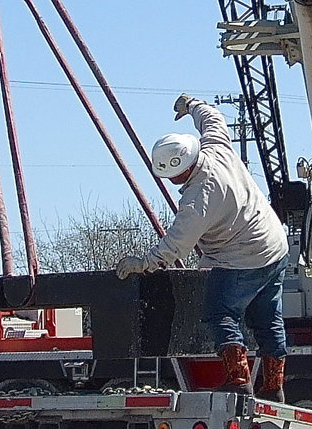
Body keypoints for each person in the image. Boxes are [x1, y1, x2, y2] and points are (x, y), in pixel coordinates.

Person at [115, 95, 290, 401]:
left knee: (219, 313)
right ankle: (274, 387)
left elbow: (176, 246)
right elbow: (213, 119)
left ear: (180, 171)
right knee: (267, 318)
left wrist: (143, 263)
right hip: (275, 245)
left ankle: (239, 380)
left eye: (172, 176)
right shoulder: (216, 148)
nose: (171, 181)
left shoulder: (198, 198)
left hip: (242, 258)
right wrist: (193, 104)